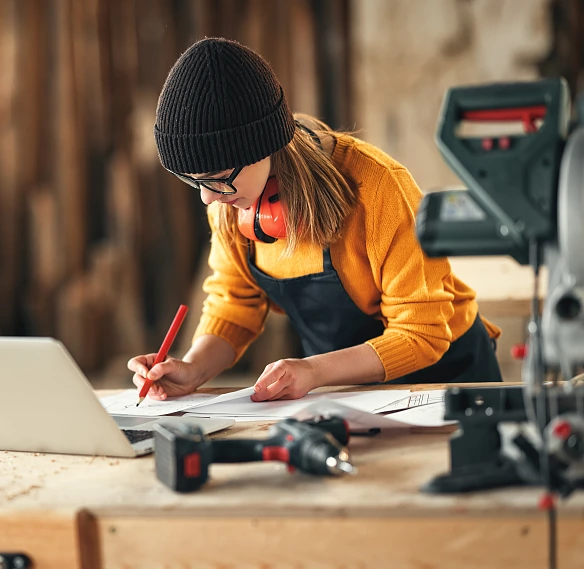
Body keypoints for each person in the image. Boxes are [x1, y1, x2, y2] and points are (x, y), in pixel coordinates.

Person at [128, 37, 503, 403]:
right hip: (349, 393)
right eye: (194, 181)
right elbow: (234, 305)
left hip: (446, 382)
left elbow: (422, 331)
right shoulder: (230, 199)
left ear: (263, 145)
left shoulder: (379, 187)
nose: (208, 197)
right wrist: (193, 368)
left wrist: (314, 371)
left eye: (217, 178)